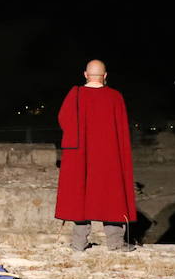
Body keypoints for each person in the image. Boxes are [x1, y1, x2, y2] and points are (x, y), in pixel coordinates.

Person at [55, 59, 137, 251]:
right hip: (109, 157)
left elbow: (63, 121)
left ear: (85, 74)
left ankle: (78, 243)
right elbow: (122, 130)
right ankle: (115, 244)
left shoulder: (75, 95)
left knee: (80, 196)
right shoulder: (115, 97)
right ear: (105, 76)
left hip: (81, 156)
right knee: (111, 194)